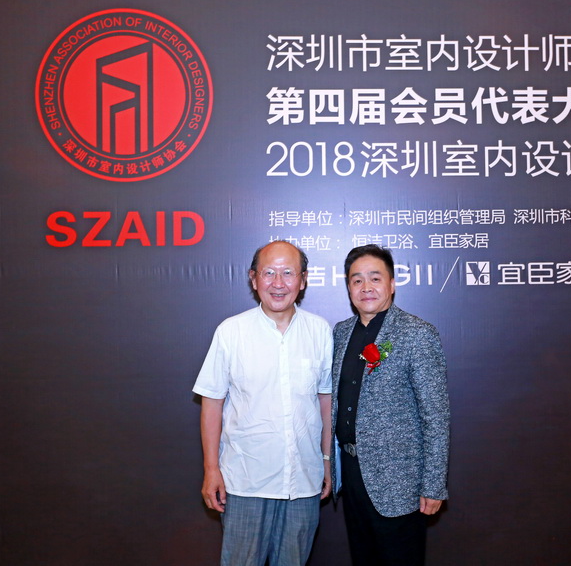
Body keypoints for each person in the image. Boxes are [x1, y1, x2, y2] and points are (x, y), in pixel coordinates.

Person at [193, 241, 333, 566]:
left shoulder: (320, 331)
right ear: (253, 278)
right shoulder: (231, 332)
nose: (278, 283)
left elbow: (325, 402)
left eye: (288, 273)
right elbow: (212, 404)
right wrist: (211, 469)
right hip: (245, 482)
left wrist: (327, 461)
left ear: (303, 280)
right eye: (269, 273)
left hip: (303, 482)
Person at [330, 244, 450, 566]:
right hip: (351, 475)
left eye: (375, 278)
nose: (366, 287)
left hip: (400, 482)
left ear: (392, 284)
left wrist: (433, 485)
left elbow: (436, 417)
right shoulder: (341, 333)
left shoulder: (417, 334)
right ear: (348, 287)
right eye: (357, 280)